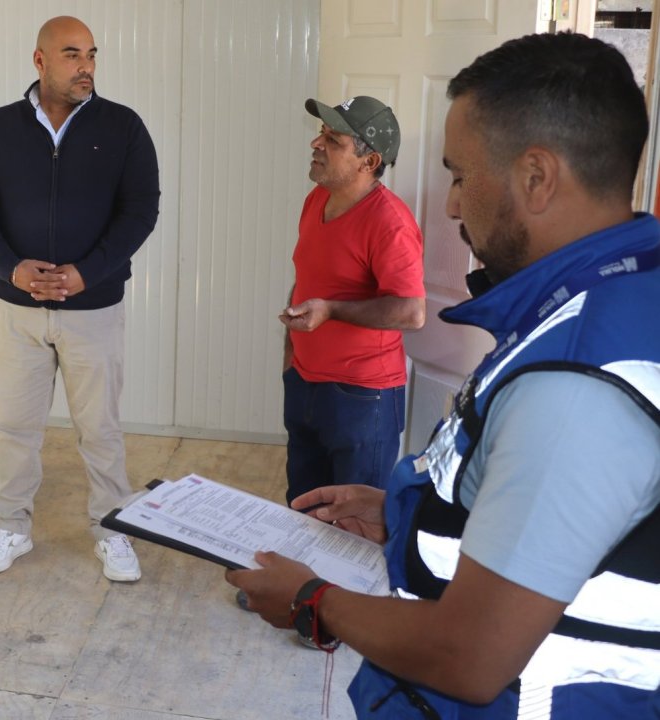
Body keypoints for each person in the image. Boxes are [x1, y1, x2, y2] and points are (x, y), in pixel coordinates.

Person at [228, 32, 660, 718]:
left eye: (461, 176)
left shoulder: (576, 382)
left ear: (537, 177)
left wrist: (315, 601)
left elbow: (469, 656)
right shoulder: (608, 299)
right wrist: (407, 510)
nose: (453, 205)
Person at [0, 16, 160, 581]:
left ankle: (112, 531)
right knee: (16, 426)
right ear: (40, 61)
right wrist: (11, 268)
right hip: (16, 310)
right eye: (72, 55)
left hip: (93, 310)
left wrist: (87, 274)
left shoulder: (123, 127)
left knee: (101, 430)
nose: (86, 66)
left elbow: (141, 210)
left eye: (91, 54)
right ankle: (12, 527)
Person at [281, 95, 425, 505]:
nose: (317, 144)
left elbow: (412, 312)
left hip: (362, 398)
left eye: (333, 140)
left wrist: (331, 311)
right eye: (321, 133)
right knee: (303, 509)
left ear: (370, 161)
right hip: (304, 382)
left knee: (352, 525)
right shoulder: (316, 200)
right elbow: (307, 279)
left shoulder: (390, 222)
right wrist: (291, 359)